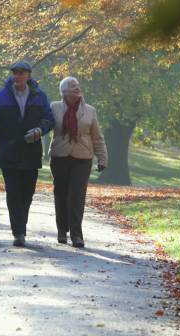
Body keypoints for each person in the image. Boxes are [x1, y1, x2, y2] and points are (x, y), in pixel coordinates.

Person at [0, 60, 54, 247]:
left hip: (31, 153)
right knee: (13, 193)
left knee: (27, 193)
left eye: (21, 73)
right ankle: (18, 232)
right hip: (8, 153)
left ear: (28, 75)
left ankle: (21, 226)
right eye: (14, 73)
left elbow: (49, 119)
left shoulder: (39, 96)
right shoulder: (0, 96)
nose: (17, 76)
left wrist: (39, 130)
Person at [49, 76, 107, 248]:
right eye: (72, 87)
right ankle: (62, 230)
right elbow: (45, 125)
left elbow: (97, 137)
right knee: (61, 194)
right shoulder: (54, 107)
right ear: (64, 92)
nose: (77, 88)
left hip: (83, 158)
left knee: (76, 196)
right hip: (60, 156)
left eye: (78, 86)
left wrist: (102, 158)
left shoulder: (90, 110)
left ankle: (76, 234)